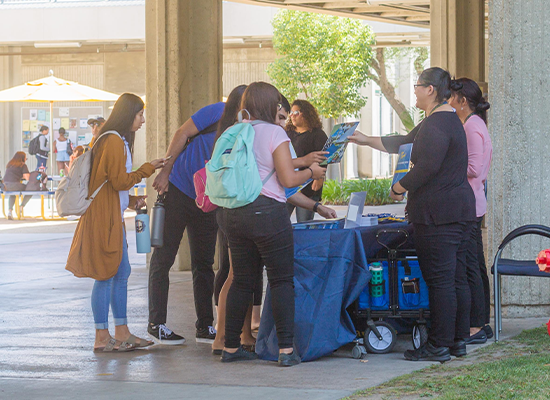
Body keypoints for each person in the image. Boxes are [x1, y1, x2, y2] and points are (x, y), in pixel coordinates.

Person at [350, 67, 476, 362]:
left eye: (418, 86)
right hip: (455, 211)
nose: (414, 91)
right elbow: (404, 142)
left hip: (439, 214)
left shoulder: (437, 124)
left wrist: (399, 187)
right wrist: (366, 140)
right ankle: (457, 341)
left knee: (441, 280)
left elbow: (427, 166)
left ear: (430, 90)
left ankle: (439, 345)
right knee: (456, 278)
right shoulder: (443, 120)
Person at [211, 94, 333, 355]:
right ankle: (286, 350)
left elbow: (266, 166)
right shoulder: (275, 133)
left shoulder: (235, 132)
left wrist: (302, 160)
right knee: (280, 280)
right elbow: (288, 180)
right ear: (269, 107)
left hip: (234, 212)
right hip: (268, 213)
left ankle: (230, 348)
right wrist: (312, 172)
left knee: (241, 281)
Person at [65, 93, 168, 352]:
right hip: (103, 219)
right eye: (140, 114)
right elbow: (120, 180)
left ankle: (121, 332)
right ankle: (102, 336)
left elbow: (111, 184)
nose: (143, 120)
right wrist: (148, 168)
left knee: (120, 273)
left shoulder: (114, 139)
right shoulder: (112, 140)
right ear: (128, 114)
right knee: (105, 274)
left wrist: (132, 202)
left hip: (111, 214)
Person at [147, 86, 249, 346]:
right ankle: (156, 323)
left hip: (209, 200)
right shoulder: (217, 111)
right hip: (180, 188)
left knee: (203, 264)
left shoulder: (249, 127)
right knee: (163, 257)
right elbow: (182, 133)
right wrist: (166, 172)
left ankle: (205, 325)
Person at [449, 78, 493, 344]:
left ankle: (476, 325)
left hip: (470, 204)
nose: (449, 102)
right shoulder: (476, 124)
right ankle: (481, 322)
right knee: (475, 264)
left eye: (452, 97)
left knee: (469, 267)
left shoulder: (470, 126)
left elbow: (474, 168)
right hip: (475, 202)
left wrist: (446, 164)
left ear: (462, 100)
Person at [285, 100, 328, 222]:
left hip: (309, 185)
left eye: (296, 112)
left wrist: (319, 178)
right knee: (280, 221)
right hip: (289, 184)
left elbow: (324, 157)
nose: (292, 115)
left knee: (304, 223)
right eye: (291, 113)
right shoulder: (286, 133)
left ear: (306, 114)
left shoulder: (318, 134)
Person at [3, 152, 33, 220]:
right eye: (26, 158)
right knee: (31, 190)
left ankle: (10, 211)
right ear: (22, 158)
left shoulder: (10, 164)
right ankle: (21, 206)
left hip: (5, 185)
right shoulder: (22, 165)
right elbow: (27, 177)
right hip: (14, 184)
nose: (26, 160)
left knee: (13, 194)